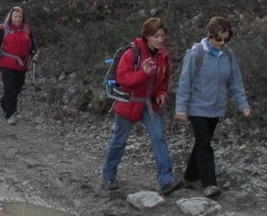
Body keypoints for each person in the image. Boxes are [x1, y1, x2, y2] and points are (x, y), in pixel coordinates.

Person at [101, 17, 184, 194]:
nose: (160, 40)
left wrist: (162, 93)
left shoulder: (163, 55)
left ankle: (166, 180)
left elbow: (164, 79)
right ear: (147, 36)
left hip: (150, 106)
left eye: (162, 36)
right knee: (119, 141)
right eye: (156, 36)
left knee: (158, 138)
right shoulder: (132, 53)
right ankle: (109, 174)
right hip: (129, 103)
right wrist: (143, 74)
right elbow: (123, 79)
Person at [175, 16, 252, 199]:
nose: (222, 43)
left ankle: (190, 176)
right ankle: (209, 184)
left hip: (216, 108)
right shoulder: (196, 54)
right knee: (205, 145)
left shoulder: (228, 55)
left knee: (202, 142)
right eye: (219, 39)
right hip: (197, 107)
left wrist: (243, 104)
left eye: (226, 39)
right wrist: (181, 108)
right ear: (210, 36)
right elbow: (185, 83)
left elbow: (235, 81)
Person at [0, 6, 36, 125]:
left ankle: (4, 103)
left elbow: (32, 46)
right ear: (11, 17)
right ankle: (11, 114)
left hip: (21, 64)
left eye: (20, 17)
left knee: (18, 88)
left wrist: (34, 53)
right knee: (10, 88)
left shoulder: (27, 29)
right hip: (7, 63)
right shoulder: (4, 29)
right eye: (15, 16)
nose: (18, 19)